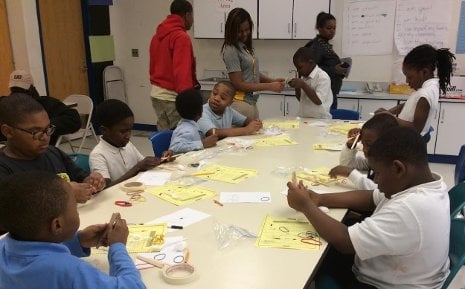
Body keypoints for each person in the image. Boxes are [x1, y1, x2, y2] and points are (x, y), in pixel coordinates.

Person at [287, 127, 450, 289]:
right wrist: (320, 199)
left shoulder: (411, 208)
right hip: (395, 272)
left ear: (398, 168)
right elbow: (370, 198)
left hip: (382, 285)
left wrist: (305, 205)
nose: (376, 180)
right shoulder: (427, 184)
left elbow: (345, 242)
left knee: (312, 260)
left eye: (377, 173)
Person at [0, 171, 146, 289]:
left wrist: (78, 241)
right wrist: (118, 247)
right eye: (75, 207)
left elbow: (34, 254)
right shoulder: (69, 271)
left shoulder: (3, 247)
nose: (76, 211)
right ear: (57, 225)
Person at [0, 93, 105, 203]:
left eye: (48, 129)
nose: (45, 137)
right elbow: (15, 209)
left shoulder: (53, 153)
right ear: (8, 132)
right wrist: (65, 194)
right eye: (35, 132)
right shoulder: (4, 168)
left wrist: (92, 181)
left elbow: (80, 176)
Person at [375, 44, 455, 143]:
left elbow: (416, 128)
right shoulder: (427, 88)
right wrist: (390, 111)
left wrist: (390, 118)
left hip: (410, 143)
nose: (407, 81)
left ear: (424, 72)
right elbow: (409, 104)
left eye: (410, 77)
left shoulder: (425, 94)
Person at [90, 99, 172, 186]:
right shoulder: (98, 155)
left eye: (130, 130)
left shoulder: (127, 145)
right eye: (123, 131)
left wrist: (163, 159)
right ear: (105, 130)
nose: (128, 135)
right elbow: (105, 190)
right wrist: (137, 168)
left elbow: (144, 164)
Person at [221, 7, 285, 119]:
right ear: (231, 30)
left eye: (247, 29)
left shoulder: (244, 47)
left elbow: (252, 72)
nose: (245, 34)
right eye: (240, 31)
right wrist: (270, 86)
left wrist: (272, 81)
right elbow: (238, 83)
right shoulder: (231, 49)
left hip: (251, 104)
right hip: (240, 104)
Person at [149, 0, 199, 131]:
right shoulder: (181, 37)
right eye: (192, 16)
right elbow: (182, 73)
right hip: (173, 98)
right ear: (187, 15)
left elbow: (153, 66)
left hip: (156, 94)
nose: (192, 20)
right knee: (180, 138)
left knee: (164, 138)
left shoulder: (157, 36)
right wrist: (188, 103)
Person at [0, 70, 81, 144]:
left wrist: (43, 127)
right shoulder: (4, 104)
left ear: (31, 88)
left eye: (22, 90)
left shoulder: (46, 103)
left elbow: (73, 119)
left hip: (39, 152)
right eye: (15, 89)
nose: (18, 93)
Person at [329, 113, 398, 190]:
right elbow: (347, 165)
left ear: (388, 143)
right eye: (363, 144)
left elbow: (378, 190)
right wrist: (350, 146)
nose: (364, 149)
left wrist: (350, 173)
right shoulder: (376, 159)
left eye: (369, 144)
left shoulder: (392, 166)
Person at [305, 12, 348, 109]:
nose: (332, 31)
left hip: (329, 93)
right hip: (322, 95)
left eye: (334, 28)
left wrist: (340, 70)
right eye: (328, 28)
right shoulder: (316, 46)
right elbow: (311, 69)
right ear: (319, 28)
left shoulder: (325, 45)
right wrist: (334, 70)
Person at [198, 81, 262, 138]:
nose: (216, 98)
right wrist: (246, 130)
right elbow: (213, 133)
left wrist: (255, 123)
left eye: (222, 98)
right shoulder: (201, 112)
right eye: (214, 93)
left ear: (230, 103)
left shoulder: (228, 110)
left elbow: (245, 121)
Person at [168, 89, 218, 153]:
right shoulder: (187, 130)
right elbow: (175, 147)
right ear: (200, 112)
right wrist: (203, 143)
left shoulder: (191, 126)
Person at [289, 47, 332, 119]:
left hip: (320, 120)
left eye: (300, 67)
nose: (298, 71)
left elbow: (318, 101)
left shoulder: (322, 77)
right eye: (297, 68)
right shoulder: (304, 77)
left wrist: (303, 85)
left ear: (310, 62)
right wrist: (297, 88)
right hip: (304, 118)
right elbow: (301, 99)